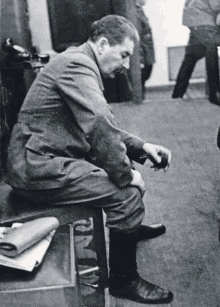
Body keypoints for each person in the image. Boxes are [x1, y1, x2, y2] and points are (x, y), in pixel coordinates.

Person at [5, 15, 173, 304]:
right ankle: (123, 280)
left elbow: (98, 127)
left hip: (44, 158)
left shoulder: (77, 60)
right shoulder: (77, 64)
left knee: (121, 164)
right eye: (123, 55)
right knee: (126, 191)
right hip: (36, 168)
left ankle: (127, 229)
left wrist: (143, 148)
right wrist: (125, 176)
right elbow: (98, 123)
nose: (124, 64)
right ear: (103, 43)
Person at [172, 0, 220, 105]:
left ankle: (177, 94)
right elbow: (216, 5)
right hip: (203, 20)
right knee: (213, 49)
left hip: (195, 19)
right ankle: (214, 93)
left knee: (191, 57)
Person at [136, 0, 155, 98]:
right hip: (143, 50)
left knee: (146, 74)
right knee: (143, 77)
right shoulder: (134, 12)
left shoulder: (139, 10)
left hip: (147, 49)